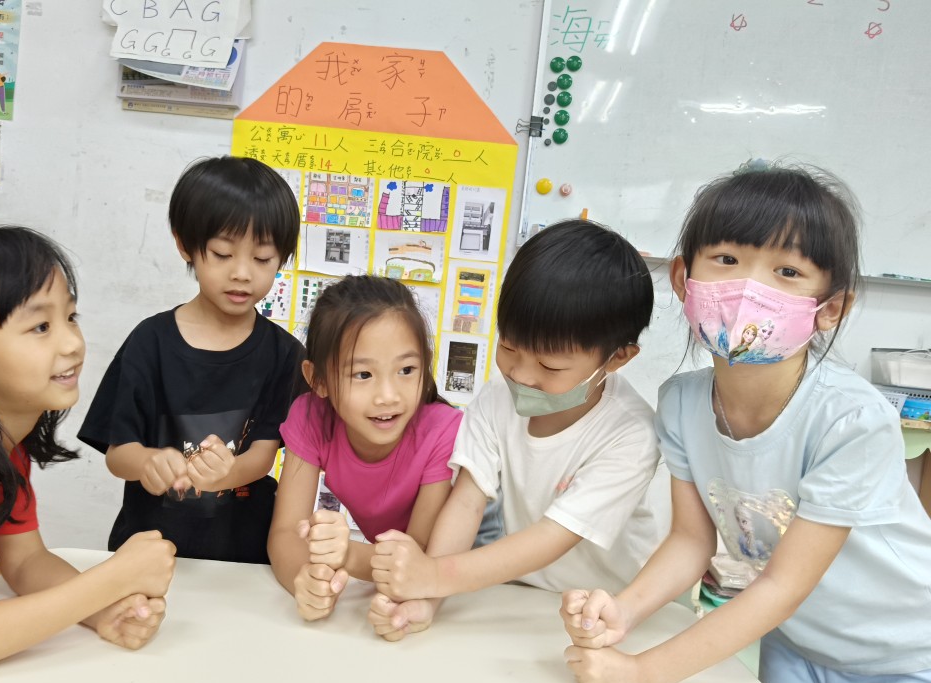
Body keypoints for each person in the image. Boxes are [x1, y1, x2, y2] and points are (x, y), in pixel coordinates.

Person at [560, 164, 931, 683]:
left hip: (907, 653)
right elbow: (691, 541)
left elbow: (783, 583)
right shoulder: (681, 403)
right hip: (797, 640)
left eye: (787, 272)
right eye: (727, 259)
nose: (748, 288)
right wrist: (624, 611)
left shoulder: (853, 420)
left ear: (830, 308)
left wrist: (641, 675)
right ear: (683, 278)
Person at [369, 219, 664, 641]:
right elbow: (466, 501)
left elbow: (551, 537)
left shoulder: (630, 435)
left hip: (609, 609)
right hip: (522, 597)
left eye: (550, 366)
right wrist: (427, 600)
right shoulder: (495, 399)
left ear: (618, 358)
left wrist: (432, 576)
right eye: (508, 347)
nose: (521, 375)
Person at [0, 226, 176, 672]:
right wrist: (113, 579)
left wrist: (103, 610)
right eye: (40, 327)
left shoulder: (0, 445)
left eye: (70, 317)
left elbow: (26, 561)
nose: (73, 343)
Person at [79, 156, 305, 563]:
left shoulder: (284, 354)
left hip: (245, 556)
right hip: (149, 550)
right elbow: (118, 453)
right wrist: (149, 462)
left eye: (262, 259)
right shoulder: (150, 342)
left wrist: (227, 473)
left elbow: (262, 455)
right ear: (185, 245)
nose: (242, 273)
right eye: (222, 254)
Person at [268, 275, 462, 620]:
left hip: (468, 581)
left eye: (406, 369)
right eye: (363, 375)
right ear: (318, 380)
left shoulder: (443, 430)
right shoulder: (311, 416)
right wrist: (307, 580)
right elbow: (285, 532)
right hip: (399, 581)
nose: (388, 396)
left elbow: (420, 556)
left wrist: (347, 555)